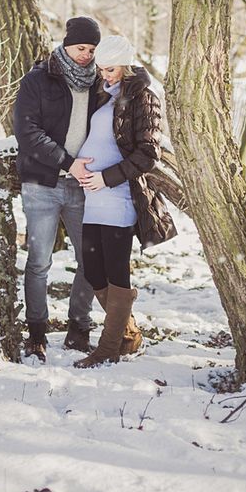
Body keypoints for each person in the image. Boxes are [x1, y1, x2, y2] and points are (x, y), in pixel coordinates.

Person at [73, 35, 177, 369]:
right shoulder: (103, 95)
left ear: (127, 64)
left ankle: (108, 347)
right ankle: (129, 336)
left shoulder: (144, 97)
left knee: (117, 273)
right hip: (93, 197)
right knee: (93, 270)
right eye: (102, 69)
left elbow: (148, 154)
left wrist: (106, 178)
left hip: (119, 196)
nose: (106, 75)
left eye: (112, 68)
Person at [13, 16, 102, 362]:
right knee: (38, 262)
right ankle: (36, 332)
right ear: (67, 44)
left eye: (92, 50)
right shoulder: (39, 79)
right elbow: (27, 132)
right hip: (42, 183)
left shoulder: (99, 82)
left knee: (90, 261)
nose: (85, 55)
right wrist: (67, 162)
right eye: (81, 48)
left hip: (84, 187)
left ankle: (79, 329)